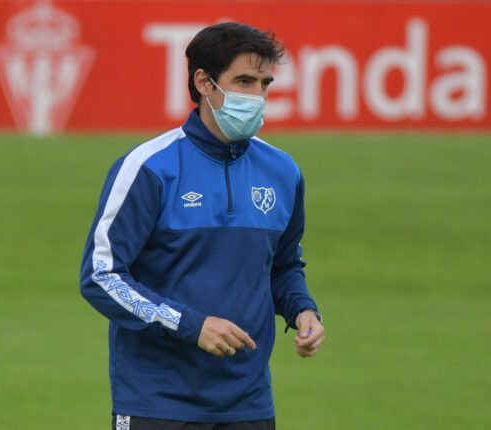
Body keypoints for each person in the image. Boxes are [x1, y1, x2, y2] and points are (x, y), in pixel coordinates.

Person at [79, 22, 325, 430]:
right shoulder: (148, 168)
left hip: (248, 403)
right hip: (157, 401)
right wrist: (190, 326)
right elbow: (101, 276)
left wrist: (302, 310)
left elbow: (283, 266)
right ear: (204, 82)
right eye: (243, 81)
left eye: (265, 83)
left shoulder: (283, 171)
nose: (257, 96)